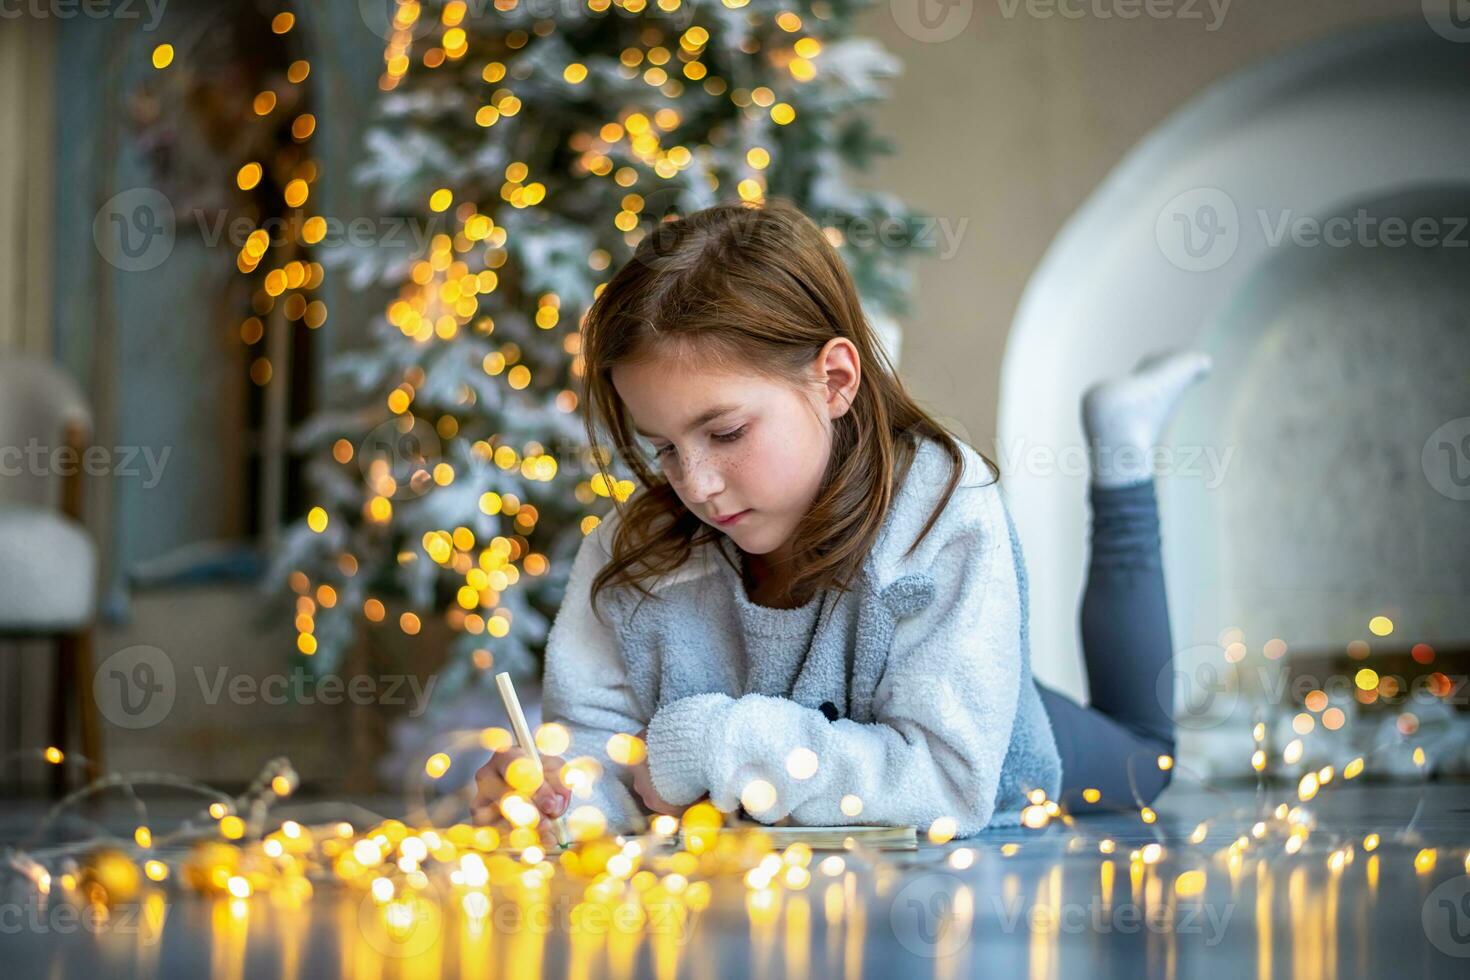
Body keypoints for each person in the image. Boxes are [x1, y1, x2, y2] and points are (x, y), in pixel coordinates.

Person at [472, 198, 1211, 842]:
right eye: (662, 446)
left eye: (726, 433)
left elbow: (948, 784)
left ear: (834, 380)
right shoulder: (632, 556)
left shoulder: (945, 512)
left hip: (994, 720)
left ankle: (1124, 456)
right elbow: (610, 770)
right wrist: (563, 801)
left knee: (1149, 760)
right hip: (901, 703)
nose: (694, 483)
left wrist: (712, 745)